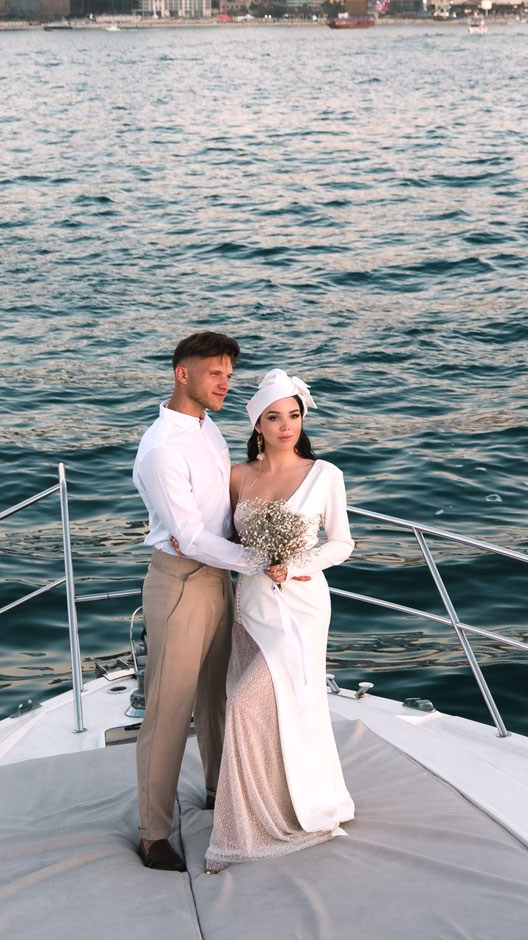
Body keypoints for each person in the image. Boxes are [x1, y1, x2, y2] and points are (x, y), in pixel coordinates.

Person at [174, 366, 358, 867]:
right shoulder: (238, 477)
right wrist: (179, 538)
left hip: (301, 606)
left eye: (293, 416)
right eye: (274, 418)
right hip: (251, 606)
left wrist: (298, 563)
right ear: (257, 424)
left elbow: (342, 543)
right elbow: (218, 539)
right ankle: (264, 803)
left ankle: (251, 824)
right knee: (250, 702)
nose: (286, 426)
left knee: (256, 704)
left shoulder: (325, 475)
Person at [128, 331, 248, 873]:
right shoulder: (160, 447)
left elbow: (218, 517)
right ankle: (153, 834)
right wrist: (258, 562)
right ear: (184, 374)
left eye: (229, 374)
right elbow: (190, 536)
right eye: (216, 374)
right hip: (180, 584)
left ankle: (220, 794)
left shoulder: (212, 430)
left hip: (220, 580)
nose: (226, 383)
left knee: (217, 698)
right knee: (170, 711)